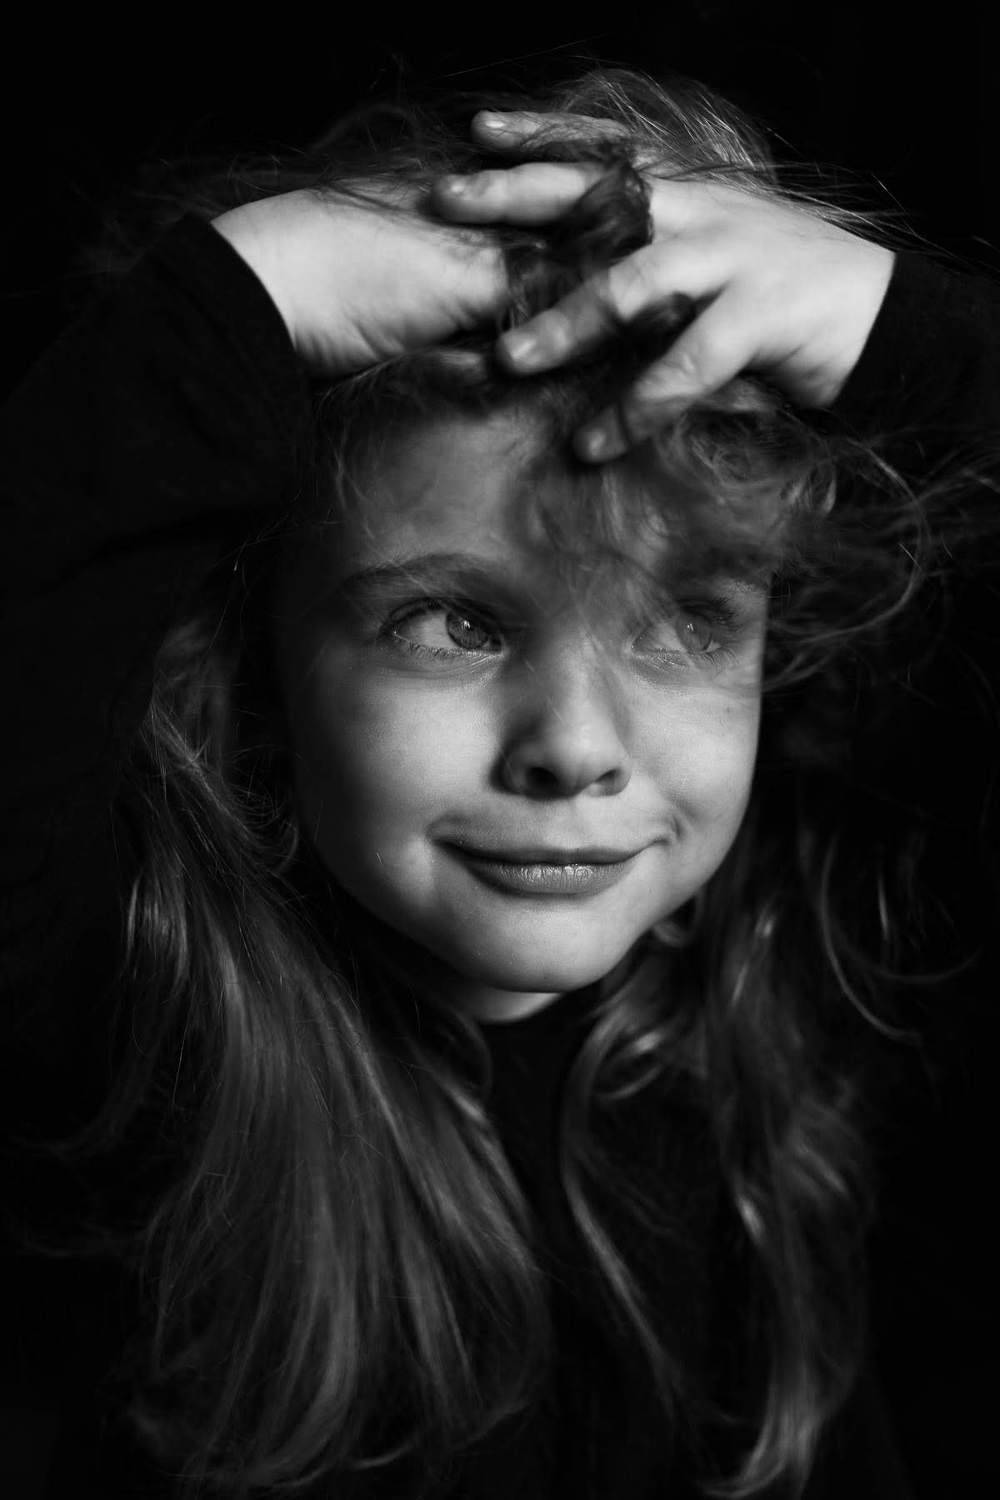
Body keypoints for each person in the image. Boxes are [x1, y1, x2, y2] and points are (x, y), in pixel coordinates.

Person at [1, 66, 995, 1500]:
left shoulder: (814, 978)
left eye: (688, 623)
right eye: (452, 623)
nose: (576, 746)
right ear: (260, 675)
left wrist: (902, 331)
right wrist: (236, 300)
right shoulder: (151, 1043)